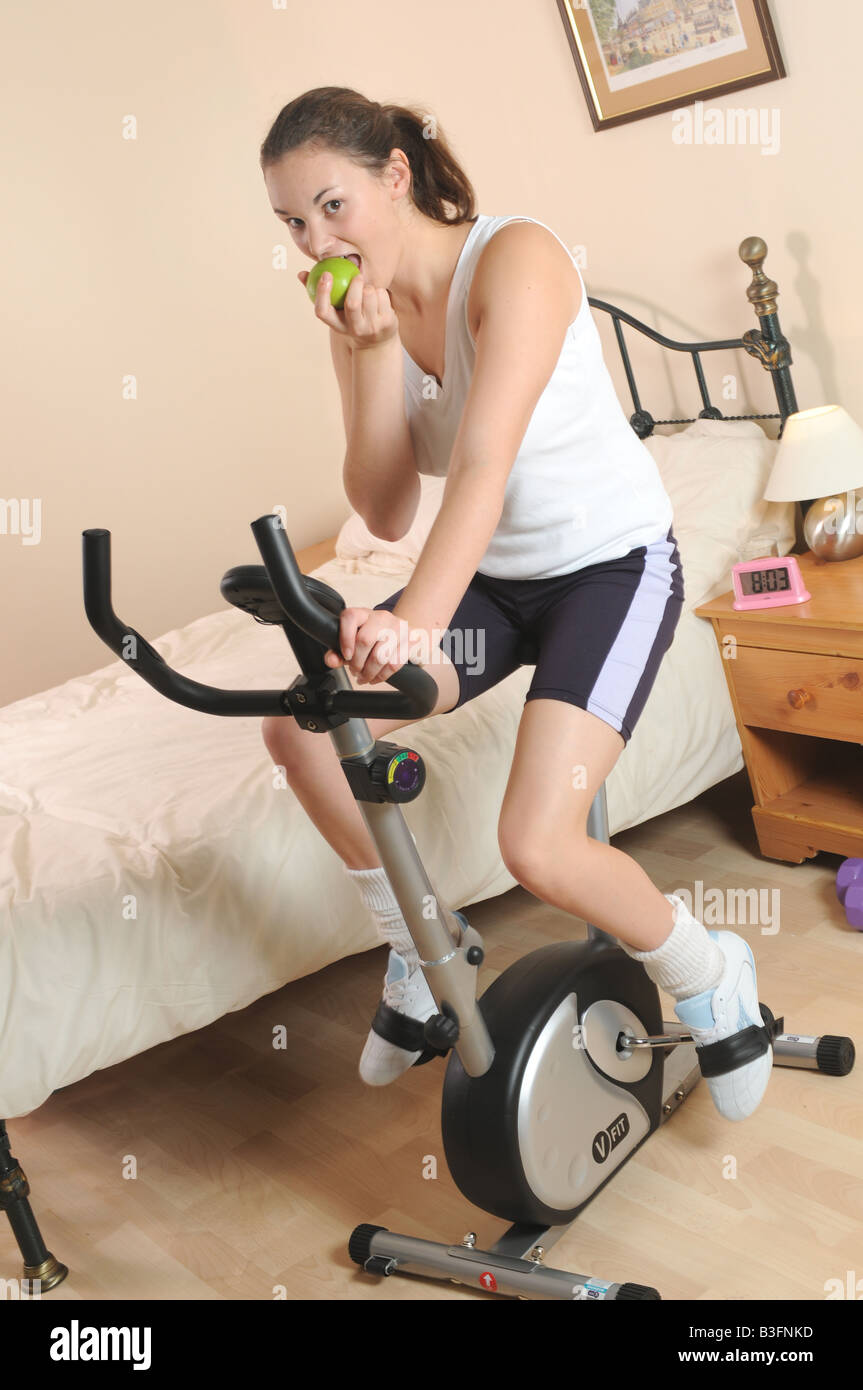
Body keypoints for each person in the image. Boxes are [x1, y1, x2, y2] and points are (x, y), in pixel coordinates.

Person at [258, 87, 772, 1121]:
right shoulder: (363, 312)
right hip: (495, 582)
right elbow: (387, 505)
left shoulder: (518, 262)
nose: (315, 242)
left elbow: (485, 469)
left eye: (330, 207)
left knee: (536, 843)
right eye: (291, 224)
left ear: (394, 176)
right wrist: (365, 357)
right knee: (304, 731)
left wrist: (411, 623)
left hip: (610, 570)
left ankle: (707, 969)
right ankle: (420, 945)